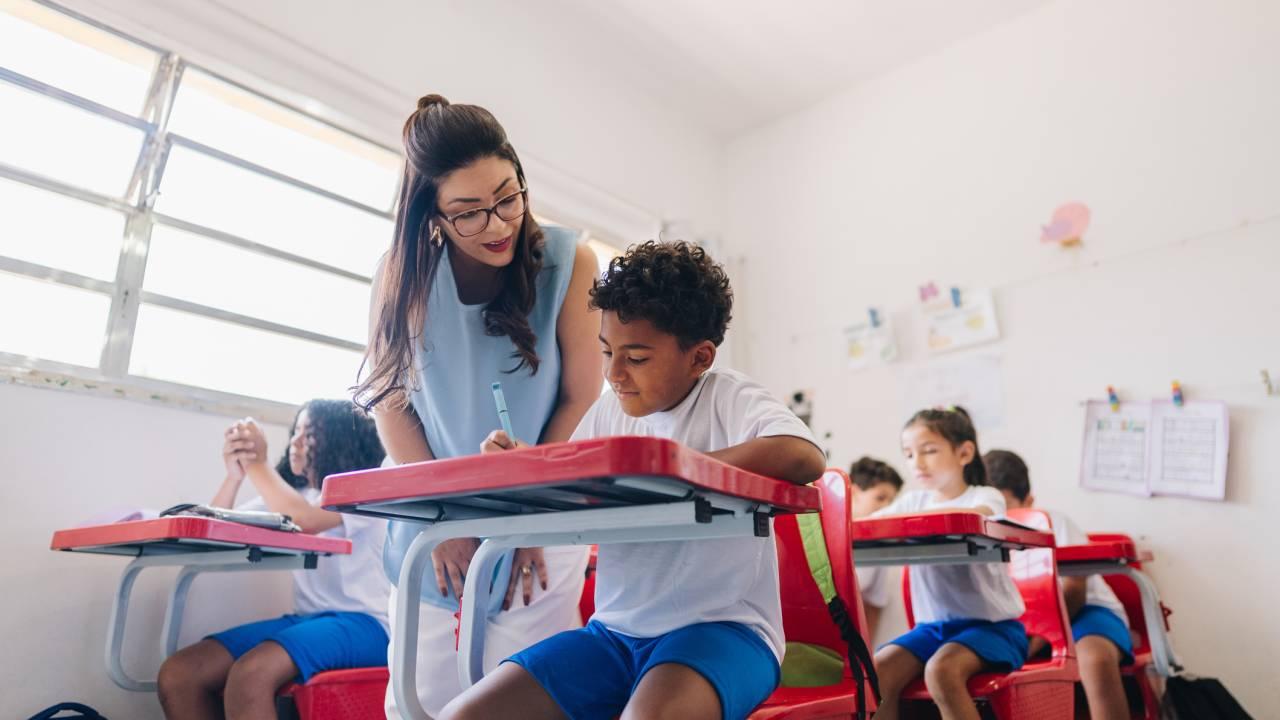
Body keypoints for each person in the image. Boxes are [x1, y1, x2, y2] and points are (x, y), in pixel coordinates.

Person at [443, 240, 826, 720]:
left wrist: (676, 466)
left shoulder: (726, 397)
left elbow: (803, 456)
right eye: (607, 352)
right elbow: (571, 474)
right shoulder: (608, 413)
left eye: (637, 358)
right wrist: (522, 465)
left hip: (725, 631)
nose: (615, 374)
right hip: (613, 635)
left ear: (700, 357)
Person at [354, 94, 603, 717]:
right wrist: (440, 520)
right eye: (468, 213)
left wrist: (528, 512)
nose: (497, 225)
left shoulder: (572, 263)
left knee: (520, 692)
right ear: (431, 216)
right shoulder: (400, 276)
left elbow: (581, 394)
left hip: (545, 498)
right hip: (427, 499)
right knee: (420, 695)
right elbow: (391, 402)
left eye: (507, 197)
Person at [157, 400, 389, 720]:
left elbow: (304, 519)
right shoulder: (291, 497)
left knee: (251, 674)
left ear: (338, 439)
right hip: (309, 619)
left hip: (367, 624)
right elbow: (215, 531)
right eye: (295, 431)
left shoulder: (361, 488)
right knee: (181, 673)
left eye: (308, 434)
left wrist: (258, 464)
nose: (294, 441)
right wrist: (236, 475)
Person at [871, 407, 1027, 720]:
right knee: (877, 671)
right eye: (909, 454)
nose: (918, 462)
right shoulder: (913, 502)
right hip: (934, 629)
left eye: (928, 450)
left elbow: (971, 518)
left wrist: (910, 525)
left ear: (964, 452)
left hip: (995, 628)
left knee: (942, 671)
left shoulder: (985, 495)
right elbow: (870, 526)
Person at [986, 449, 1133, 720]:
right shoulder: (982, 534)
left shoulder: (1055, 523)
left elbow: (1075, 591)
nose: (1002, 518)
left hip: (1087, 611)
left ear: (1029, 502)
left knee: (1094, 659)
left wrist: (1034, 645)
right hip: (1020, 620)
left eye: (1009, 507)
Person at [848, 456, 904, 636]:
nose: (887, 508)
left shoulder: (880, 546)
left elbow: (872, 607)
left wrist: (865, 660)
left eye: (892, 502)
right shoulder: (821, 531)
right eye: (880, 498)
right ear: (854, 492)